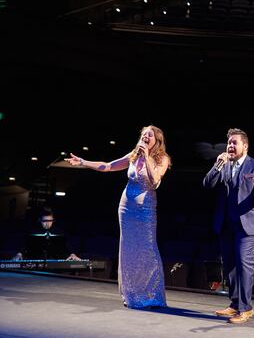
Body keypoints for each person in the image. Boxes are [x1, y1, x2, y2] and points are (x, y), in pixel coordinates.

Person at [65, 125, 171, 309]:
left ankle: (152, 296)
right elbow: (108, 166)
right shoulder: (133, 155)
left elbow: (154, 180)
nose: (145, 137)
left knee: (148, 250)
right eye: (143, 134)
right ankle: (131, 295)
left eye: (150, 135)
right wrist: (83, 162)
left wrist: (146, 156)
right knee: (128, 250)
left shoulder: (162, 159)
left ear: (157, 141)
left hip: (145, 210)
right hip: (126, 209)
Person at [203, 128, 254, 324]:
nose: (231, 146)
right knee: (230, 265)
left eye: (235, 143)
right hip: (226, 223)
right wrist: (218, 164)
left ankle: (246, 308)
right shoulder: (223, 165)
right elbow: (207, 184)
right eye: (229, 143)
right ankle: (234, 304)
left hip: (248, 225)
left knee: (244, 265)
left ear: (245, 146)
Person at [12, 207, 81, 261]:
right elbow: (26, 245)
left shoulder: (59, 232)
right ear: (40, 220)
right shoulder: (33, 232)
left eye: (50, 221)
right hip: (36, 259)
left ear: (53, 220)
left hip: (55, 260)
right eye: (45, 221)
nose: (47, 224)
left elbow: (67, 245)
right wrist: (19, 253)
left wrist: (72, 254)